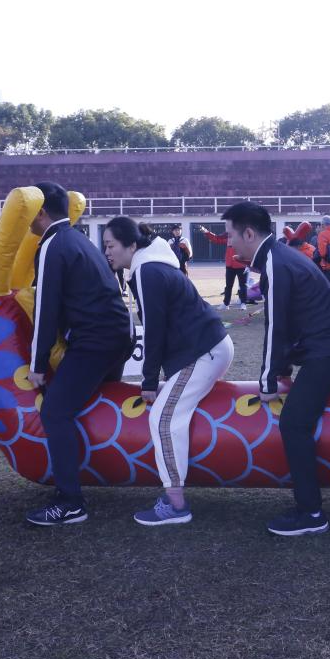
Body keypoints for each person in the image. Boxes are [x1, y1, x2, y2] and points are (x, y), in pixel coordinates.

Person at [221, 201, 330, 536]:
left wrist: (268, 381)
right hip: (326, 348)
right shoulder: (279, 255)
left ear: (248, 234)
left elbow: (276, 326)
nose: (229, 243)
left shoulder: (275, 261)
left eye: (230, 236)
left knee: (294, 424)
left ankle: (311, 513)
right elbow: (290, 320)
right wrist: (282, 368)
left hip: (327, 352)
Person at [103, 216, 234, 527]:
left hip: (204, 352)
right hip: (207, 348)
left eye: (110, 245)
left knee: (162, 417)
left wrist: (149, 381)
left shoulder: (147, 271)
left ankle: (176, 505)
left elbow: (154, 330)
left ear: (131, 245)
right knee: (170, 411)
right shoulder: (151, 265)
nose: (106, 252)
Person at [25, 182, 134, 526]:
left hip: (95, 342)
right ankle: (99, 475)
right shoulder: (79, 238)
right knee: (98, 405)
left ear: (41, 212)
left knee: (55, 411)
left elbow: (45, 309)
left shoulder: (52, 244)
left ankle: (70, 502)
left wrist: (37, 363)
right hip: (118, 335)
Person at [199, 225, 249, 310]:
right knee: (228, 286)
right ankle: (226, 304)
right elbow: (217, 239)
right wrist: (206, 232)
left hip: (242, 265)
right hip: (230, 265)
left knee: (243, 286)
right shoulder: (228, 236)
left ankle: (243, 303)